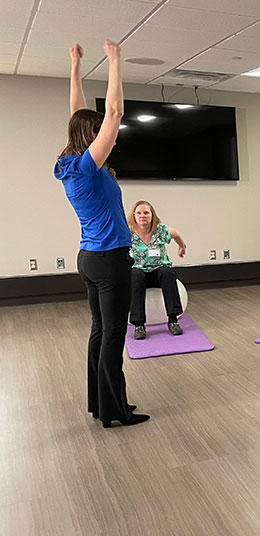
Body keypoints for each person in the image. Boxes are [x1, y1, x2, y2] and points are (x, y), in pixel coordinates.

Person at [55, 40, 149, 428]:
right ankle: (115, 409)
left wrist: (75, 67)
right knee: (113, 336)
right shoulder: (90, 167)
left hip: (89, 259)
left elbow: (78, 115)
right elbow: (114, 112)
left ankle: (100, 404)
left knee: (100, 331)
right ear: (91, 138)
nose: (107, 139)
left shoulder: (71, 164)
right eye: (99, 135)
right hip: (110, 261)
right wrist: (115, 61)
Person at [128, 201, 187, 339]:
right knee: (134, 276)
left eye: (146, 213)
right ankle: (139, 325)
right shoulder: (127, 231)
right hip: (138, 271)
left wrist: (182, 247)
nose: (143, 216)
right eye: (139, 213)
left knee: (167, 272)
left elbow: (176, 234)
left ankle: (173, 321)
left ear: (152, 215)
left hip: (158, 271)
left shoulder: (160, 230)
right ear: (134, 215)